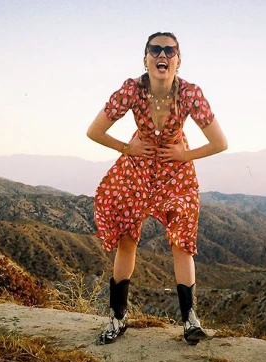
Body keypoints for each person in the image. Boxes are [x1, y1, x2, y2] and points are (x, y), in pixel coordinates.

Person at [87, 32, 228, 345]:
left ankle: (190, 321)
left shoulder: (190, 94)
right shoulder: (131, 90)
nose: (162, 55)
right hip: (137, 168)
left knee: (182, 242)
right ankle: (118, 318)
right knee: (126, 240)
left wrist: (184, 154)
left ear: (178, 60)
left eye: (169, 50)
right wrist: (128, 148)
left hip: (176, 171)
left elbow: (220, 142)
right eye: (155, 50)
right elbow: (94, 131)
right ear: (145, 59)